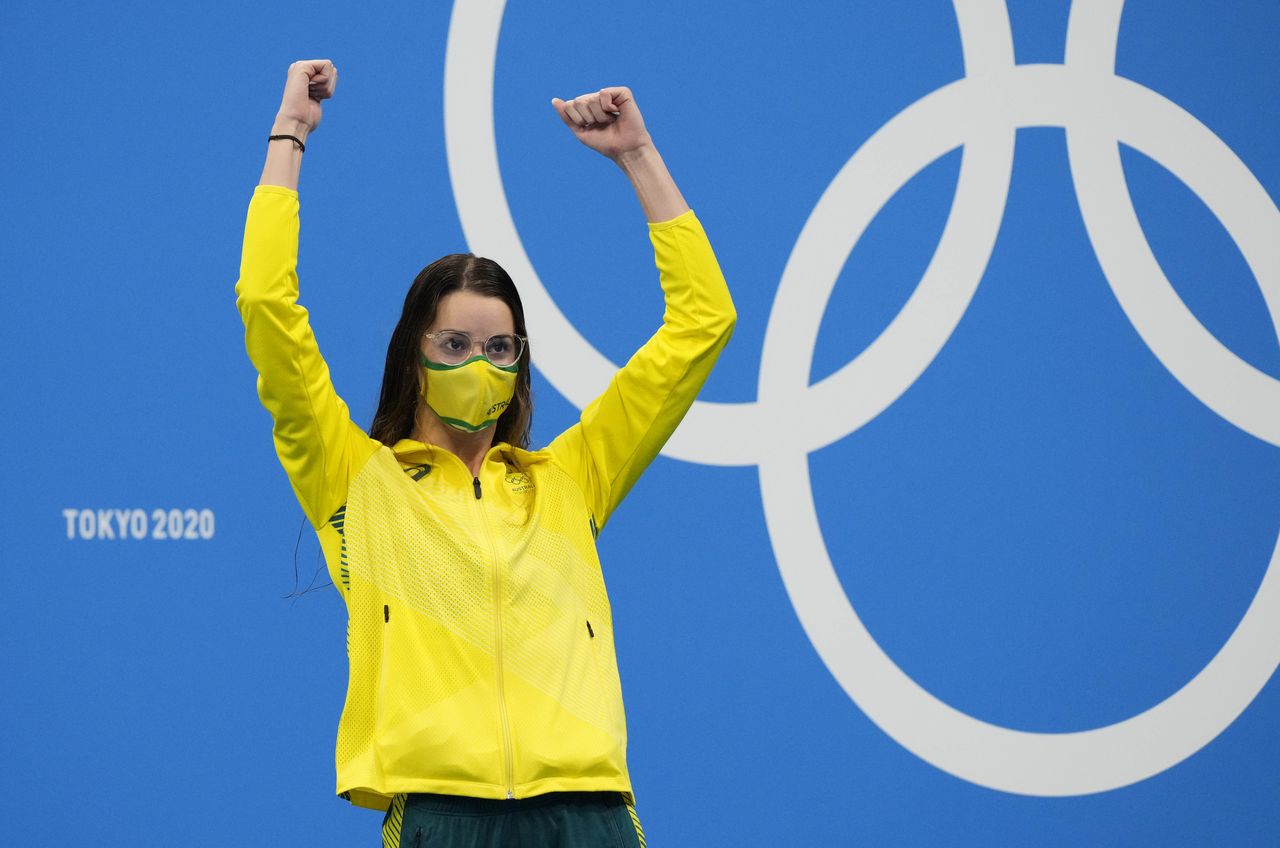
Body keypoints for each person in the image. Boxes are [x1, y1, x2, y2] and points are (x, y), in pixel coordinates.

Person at [236, 59, 735, 848]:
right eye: (457, 343)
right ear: (413, 354)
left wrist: (638, 157)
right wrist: (290, 134)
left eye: (502, 347)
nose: (482, 364)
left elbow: (703, 324)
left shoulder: (571, 479)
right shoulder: (357, 482)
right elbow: (268, 306)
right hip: (443, 816)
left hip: (590, 812)